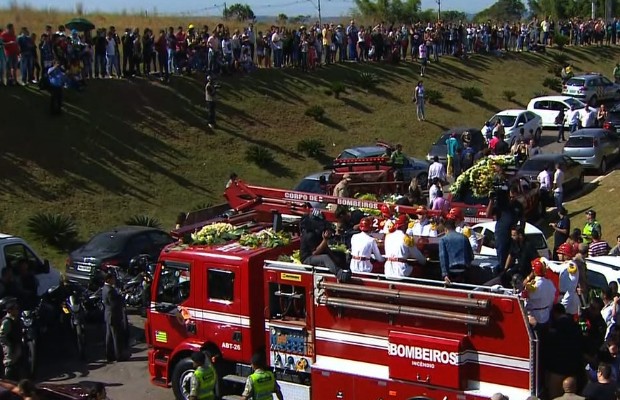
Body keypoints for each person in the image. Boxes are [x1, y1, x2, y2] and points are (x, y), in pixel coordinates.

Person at [487, 182, 525, 271]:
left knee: (513, 255)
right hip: (501, 234)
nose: (511, 199)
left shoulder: (518, 206)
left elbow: (523, 219)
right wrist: (491, 201)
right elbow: (488, 213)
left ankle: (509, 270)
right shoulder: (501, 205)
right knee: (502, 255)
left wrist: (521, 232)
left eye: (514, 197)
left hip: (513, 235)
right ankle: (502, 271)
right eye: (510, 197)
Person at [300, 211, 348, 281]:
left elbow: (324, 248)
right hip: (307, 258)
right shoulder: (309, 235)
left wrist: (334, 257)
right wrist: (325, 240)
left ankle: (344, 269)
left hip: (317, 253)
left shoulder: (317, 231)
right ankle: (339, 274)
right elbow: (315, 253)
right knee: (325, 258)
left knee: (340, 254)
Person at [384, 215, 426, 279]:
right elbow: (418, 256)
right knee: (420, 271)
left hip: (387, 271)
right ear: (404, 225)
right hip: (400, 271)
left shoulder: (388, 236)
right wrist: (424, 261)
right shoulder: (406, 238)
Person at [547, 246, 580, 317]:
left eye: (560, 253)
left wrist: (564, 304)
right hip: (563, 296)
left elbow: (570, 290)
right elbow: (557, 268)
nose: (558, 255)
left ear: (566, 255)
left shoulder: (571, 266)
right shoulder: (566, 264)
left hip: (569, 300)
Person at [439, 218, 473, 285]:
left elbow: (443, 257)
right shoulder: (464, 237)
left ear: (445, 229)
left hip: (451, 272)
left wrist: (445, 274)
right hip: (465, 271)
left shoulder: (443, 239)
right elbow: (471, 255)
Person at [522, 258, 556, 326]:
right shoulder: (550, 282)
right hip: (547, 313)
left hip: (535, 315)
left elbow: (524, 294)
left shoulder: (535, 285)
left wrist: (529, 277)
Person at [102, 273, 125, 362]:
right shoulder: (110, 290)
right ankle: (119, 355)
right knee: (116, 337)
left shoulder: (105, 288)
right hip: (113, 315)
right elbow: (114, 304)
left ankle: (110, 355)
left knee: (109, 336)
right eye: (113, 279)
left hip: (108, 315)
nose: (114, 280)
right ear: (108, 280)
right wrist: (120, 297)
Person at [0, 297, 22, 381]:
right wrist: (8, 344)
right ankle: (8, 378)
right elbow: (2, 335)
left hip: (16, 342)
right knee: (9, 360)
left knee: (17, 358)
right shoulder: (7, 321)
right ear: (9, 310)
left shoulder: (16, 319)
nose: (17, 310)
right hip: (9, 342)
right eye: (15, 308)